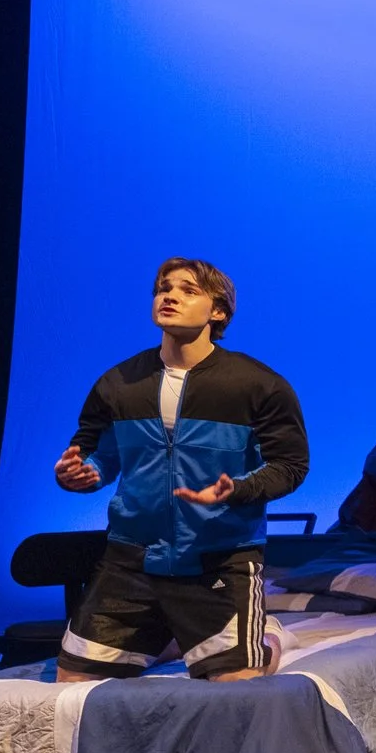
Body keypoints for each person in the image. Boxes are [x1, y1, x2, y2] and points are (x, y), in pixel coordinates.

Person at [53, 258, 309, 683]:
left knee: (239, 685)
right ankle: (172, 637)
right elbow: (100, 457)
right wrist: (82, 476)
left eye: (188, 290)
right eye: (162, 288)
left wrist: (238, 489)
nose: (169, 296)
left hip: (218, 560)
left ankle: (266, 639)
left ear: (218, 311)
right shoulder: (117, 383)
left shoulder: (257, 385)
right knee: (73, 688)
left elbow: (290, 465)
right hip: (131, 560)